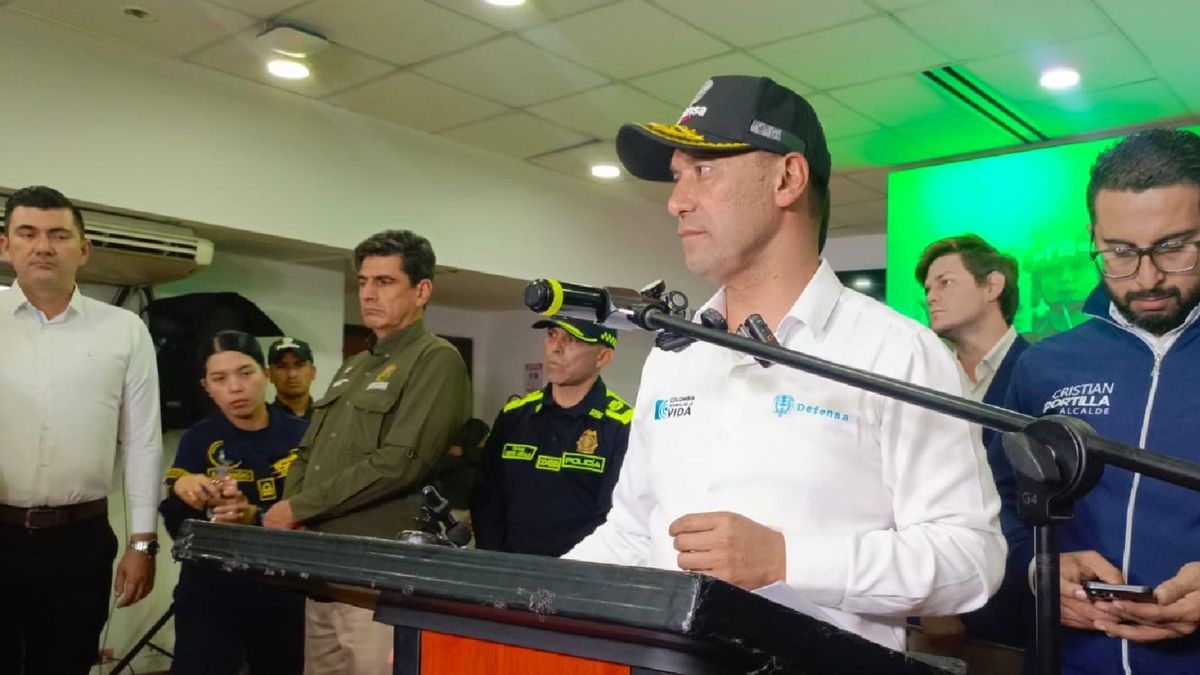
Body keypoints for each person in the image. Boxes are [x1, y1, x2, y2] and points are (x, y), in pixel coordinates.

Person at [563, 75, 1005, 651]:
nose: (676, 201)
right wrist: (520, 597)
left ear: (787, 178)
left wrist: (787, 558)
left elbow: (971, 559)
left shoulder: (895, 352)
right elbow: (631, 535)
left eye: (705, 169)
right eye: (677, 177)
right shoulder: (676, 352)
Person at [998, 128, 1200, 674]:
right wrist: (1037, 568)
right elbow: (997, 501)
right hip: (1072, 659)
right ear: (1093, 235)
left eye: (1175, 247)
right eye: (1119, 252)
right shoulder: (1044, 364)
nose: (1148, 277)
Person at [263, 229, 471, 675]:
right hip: (322, 570)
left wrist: (298, 506)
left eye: (384, 282)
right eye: (363, 282)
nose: (369, 294)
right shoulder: (354, 366)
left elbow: (401, 462)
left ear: (422, 291)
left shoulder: (436, 359)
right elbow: (308, 452)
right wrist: (293, 511)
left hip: (377, 580)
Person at [0, 186, 162, 675]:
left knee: (66, 664)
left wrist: (142, 542)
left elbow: (142, 442)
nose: (42, 246)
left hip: (79, 540)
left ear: (83, 249)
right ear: (5, 246)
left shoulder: (124, 329)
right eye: (27, 233)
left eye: (57, 235)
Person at [914, 235, 1032, 666]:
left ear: (992, 286)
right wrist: (934, 601)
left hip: (1022, 609)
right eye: (927, 289)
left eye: (944, 282)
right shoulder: (922, 377)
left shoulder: (1043, 372)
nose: (932, 297)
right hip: (930, 608)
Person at [160, 330, 307, 675]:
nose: (236, 388)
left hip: (284, 592)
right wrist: (195, 498)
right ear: (207, 387)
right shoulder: (199, 439)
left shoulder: (301, 436)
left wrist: (254, 516)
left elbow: (318, 512)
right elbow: (176, 525)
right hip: (212, 593)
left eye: (245, 373)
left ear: (265, 375)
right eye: (220, 379)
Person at [471, 317, 631, 556]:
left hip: (579, 575)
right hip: (506, 568)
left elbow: (616, 516)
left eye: (573, 339)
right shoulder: (515, 416)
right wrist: (496, 561)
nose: (556, 347)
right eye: (552, 335)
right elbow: (487, 496)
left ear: (602, 357)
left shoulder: (622, 425)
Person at [268, 336, 317, 420]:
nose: (291, 374)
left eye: (299, 365)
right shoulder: (262, 421)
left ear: (313, 372)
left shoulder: (328, 419)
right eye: (281, 366)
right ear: (270, 374)